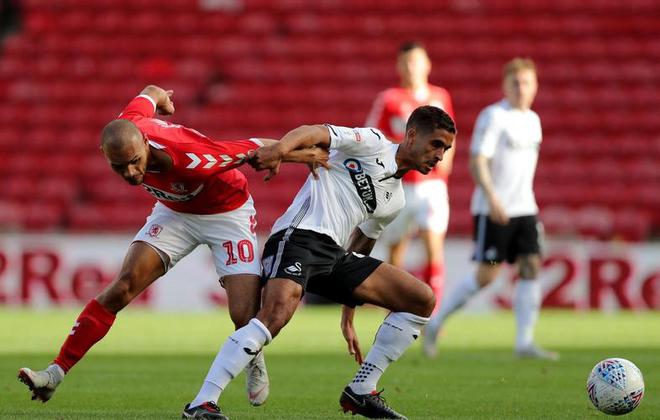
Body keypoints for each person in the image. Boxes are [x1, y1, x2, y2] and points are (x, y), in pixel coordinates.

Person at [17, 85, 328, 411]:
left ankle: (254, 355)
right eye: (119, 167)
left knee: (243, 315)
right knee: (122, 287)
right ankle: (54, 374)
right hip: (174, 213)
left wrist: (300, 155)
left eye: (136, 163)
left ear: (146, 145)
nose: (131, 173)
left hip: (227, 213)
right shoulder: (129, 123)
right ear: (104, 154)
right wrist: (162, 99)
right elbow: (150, 92)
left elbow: (255, 146)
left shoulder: (192, 159)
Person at [182, 106, 456, 420]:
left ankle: (361, 390)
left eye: (445, 149)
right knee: (275, 316)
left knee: (420, 299)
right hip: (299, 236)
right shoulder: (373, 142)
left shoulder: (395, 200)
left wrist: (348, 309)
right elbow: (314, 131)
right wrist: (279, 151)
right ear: (411, 135)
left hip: (335, 256)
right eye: (436, 144)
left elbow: (363, 245)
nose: (440, 155)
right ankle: (201, 403)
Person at [423, 58, 559, 360]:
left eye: (526, 83)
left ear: (535, 86)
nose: (521, 89)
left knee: (531, 266)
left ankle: (524, 342)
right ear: (505, 85)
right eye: (516, 83)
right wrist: (493, 198)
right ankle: (436, 322)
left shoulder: (533, 121)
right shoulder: (494, 117)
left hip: (525, 207)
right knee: (487, 276)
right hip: (493, 208)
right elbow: (477, 160)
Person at [366, 41, 455, 312]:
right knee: (396, 251)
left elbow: (452, 135)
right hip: (400, 186)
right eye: (406, 62)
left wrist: (443, 164)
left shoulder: (440, 98)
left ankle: (432, 314)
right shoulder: (389, 99)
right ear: (398, 67)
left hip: (432, 186)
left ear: (427, 64)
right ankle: (394, 309)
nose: (411, 67)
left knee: (433, 247)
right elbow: (374, 138)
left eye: (416, 61)